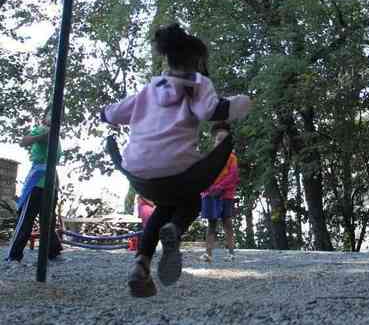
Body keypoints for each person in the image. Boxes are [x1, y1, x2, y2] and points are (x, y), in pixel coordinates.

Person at [101, 23, 251, 298]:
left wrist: (104, 112)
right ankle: (176, 228)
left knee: (164, 207)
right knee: (191, 199)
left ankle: (141, 265)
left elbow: (111, 115)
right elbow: (214, 111)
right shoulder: (197, 84)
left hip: (138, 173)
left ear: (166, 58)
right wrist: (244, 102)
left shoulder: (148, 89)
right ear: (197, 61)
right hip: (177, 171)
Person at [6, 107, 64, 266]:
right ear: (44, 117)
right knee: (26, 220)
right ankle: (14, 256)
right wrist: (42, 136)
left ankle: (52, 253)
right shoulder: (39, 129)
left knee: (49, 220)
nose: (54, 117)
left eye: (58, 116)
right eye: (51, 114)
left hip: (51, 181)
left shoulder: (57, 138)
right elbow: (23, 141)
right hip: (36, 182)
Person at [200, 122, 239, 263]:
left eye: (225, 141)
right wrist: (207, 189)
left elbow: (233, 176)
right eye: (218, 140)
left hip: (226, 195)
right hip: (210, 195)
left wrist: (220, 187)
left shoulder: (232, 158)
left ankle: (231, 253)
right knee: (211, 224)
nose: (221, 143)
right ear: (214, 141)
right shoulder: (210, 157)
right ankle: (208, 253)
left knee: (227, 223)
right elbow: (204, 175)